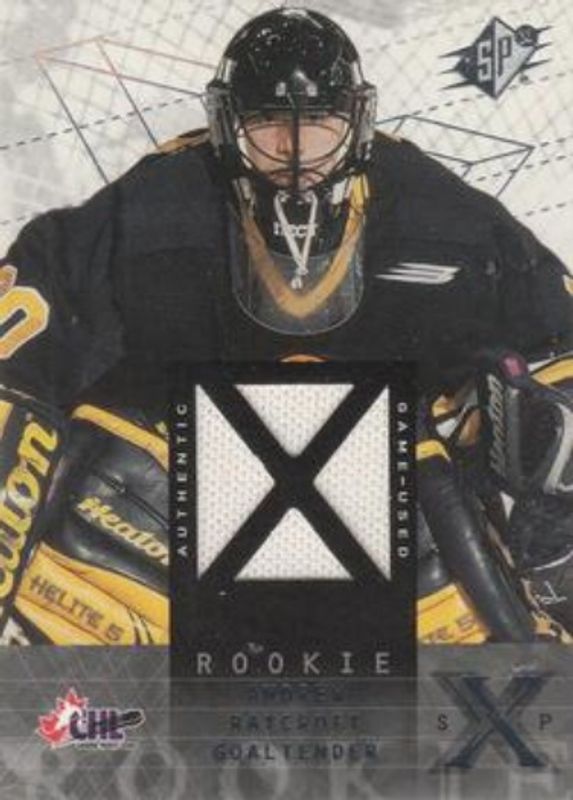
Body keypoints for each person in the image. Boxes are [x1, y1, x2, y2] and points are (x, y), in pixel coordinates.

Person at [0, 8, 571, 645]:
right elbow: (21, 355)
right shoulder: (155, 207)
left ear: (357, 121)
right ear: (228, 124)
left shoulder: (438, 212)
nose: (295, 150)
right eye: (269, 124)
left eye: (319, 124)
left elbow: (557, 343)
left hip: (402, 526)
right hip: (161, 519)